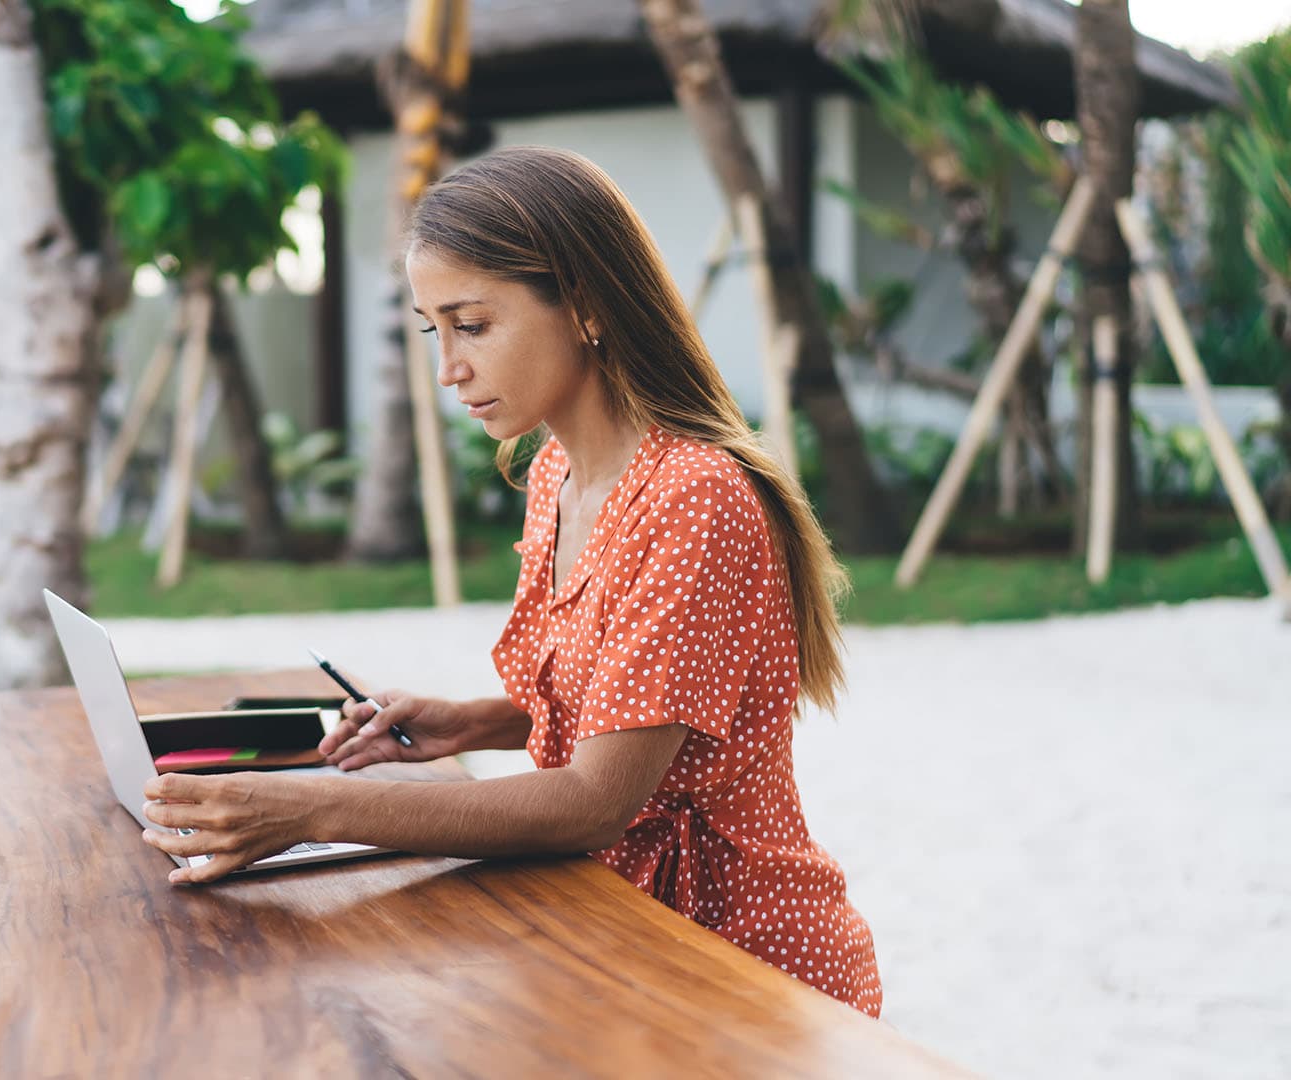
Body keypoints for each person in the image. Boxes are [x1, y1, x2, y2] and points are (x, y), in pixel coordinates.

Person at [141, 145, 882, 1016]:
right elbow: (631, 708)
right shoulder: (553, 477)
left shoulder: (694, 499)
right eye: (433, 330)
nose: (449, 366)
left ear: (587, 306)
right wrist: (469, 721)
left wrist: (312, 811)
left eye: (474, 324)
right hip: (604, 928)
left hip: (733, 962)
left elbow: (595, 800)